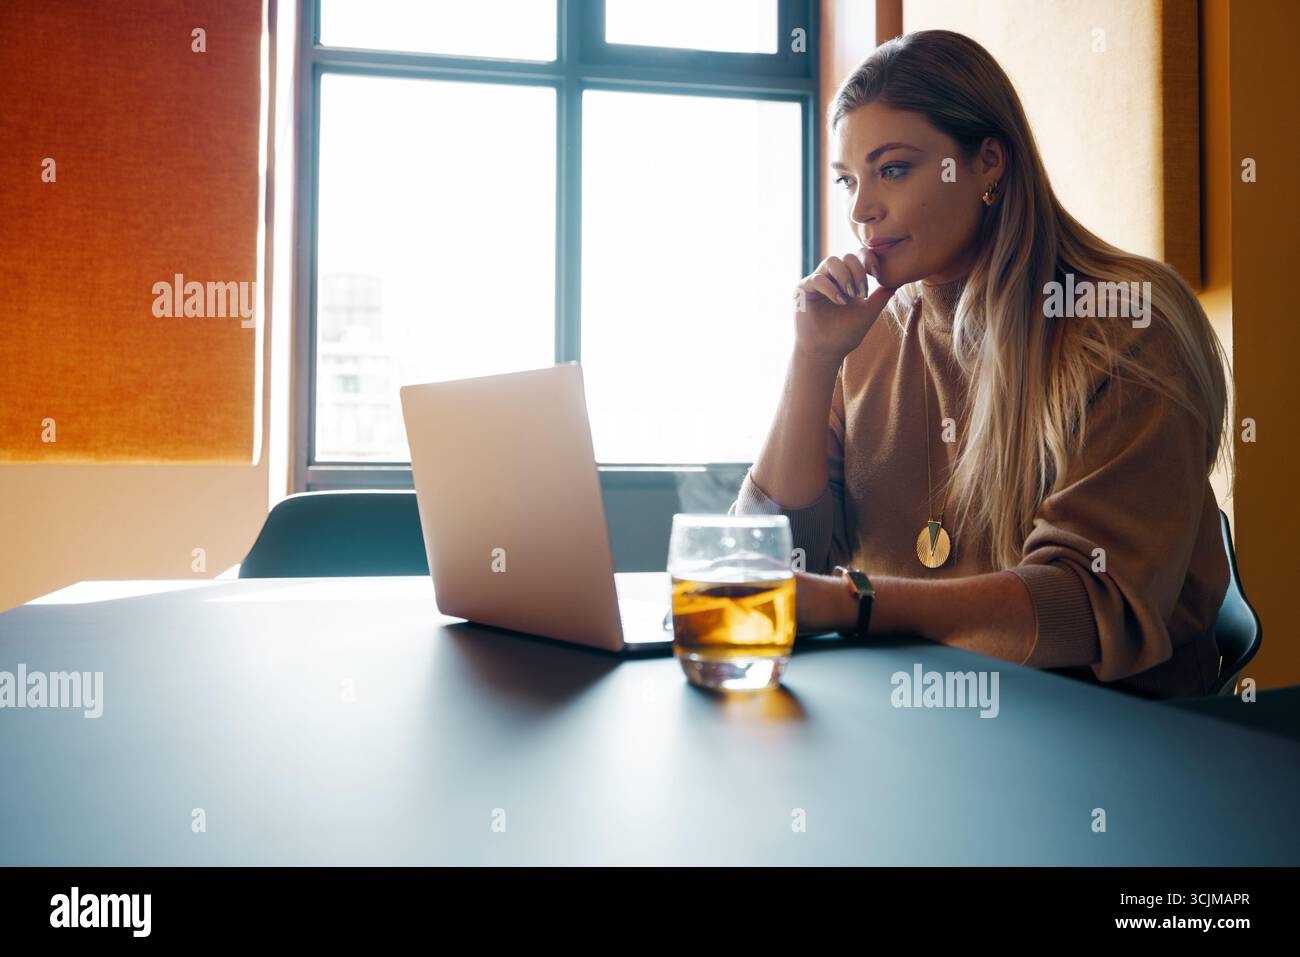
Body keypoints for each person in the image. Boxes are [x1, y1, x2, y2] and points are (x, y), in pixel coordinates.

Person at [730, 30, 1235, 700]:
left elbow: (1086, 608)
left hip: (1111, 737)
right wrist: (812, 360)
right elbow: (766, 563)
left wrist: (856, 603)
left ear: (988, 162)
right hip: (917, 716)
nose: (860, 210)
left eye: (894, 169)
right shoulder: (865, 336)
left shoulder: (1125, 323)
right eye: (850, 180)